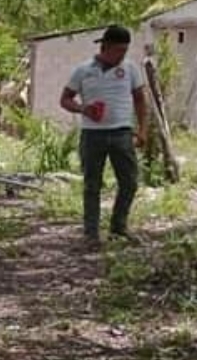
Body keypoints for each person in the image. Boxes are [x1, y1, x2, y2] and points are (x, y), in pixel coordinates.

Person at [59, 25, 148, 246]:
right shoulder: (83, 70)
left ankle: (118, 227)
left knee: (129, 182)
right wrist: (83, 109)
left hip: (122, 133)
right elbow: (65, 99)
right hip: (92, 135)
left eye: (125, 50)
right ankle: (90, 234)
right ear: (105, 47)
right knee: (92, 185)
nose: (122, 55)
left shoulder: (130, 69)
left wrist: (143, 130)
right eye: (118, 50)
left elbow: (140, 99)